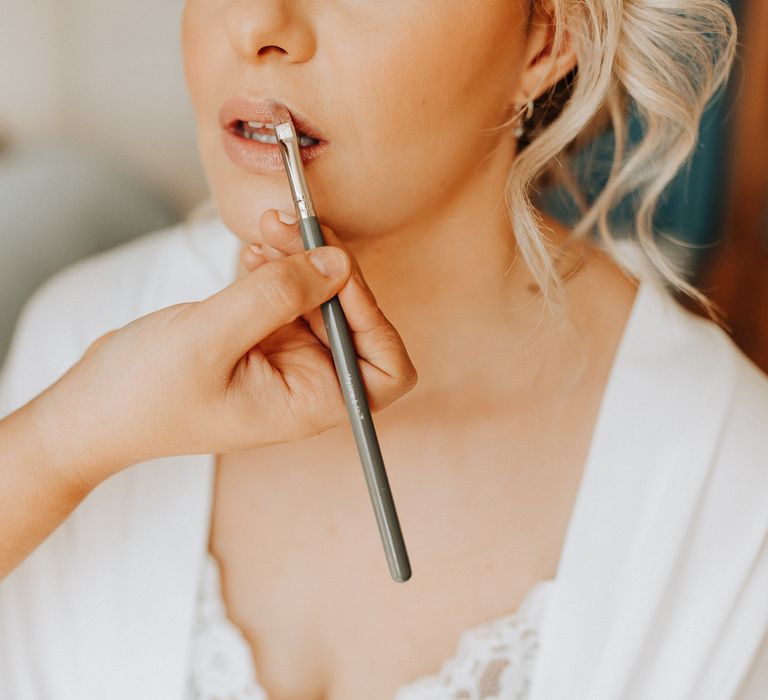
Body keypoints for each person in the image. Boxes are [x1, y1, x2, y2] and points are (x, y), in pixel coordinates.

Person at [0, 1, 766, 699]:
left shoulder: (729, 490)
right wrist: (61, 446)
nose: (256, 24)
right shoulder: (80, 344)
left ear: (548, 35)